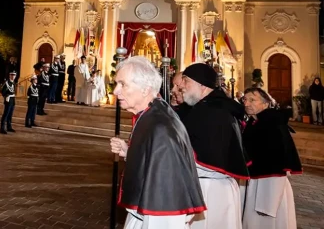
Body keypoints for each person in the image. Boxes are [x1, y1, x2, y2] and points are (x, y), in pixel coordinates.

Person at [110, 57, 205, 228]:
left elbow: (165, 198)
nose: (116, 91)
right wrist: (130, 152)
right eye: (116, 84)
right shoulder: (151, 114)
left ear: (145, 89)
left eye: (123, 84)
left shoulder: (161, 127)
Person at [179, 63, 249, 229]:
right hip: (206, 186)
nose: (181, 86)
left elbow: (211, 158)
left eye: (185, 80)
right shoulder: (207, 107)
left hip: (212, 190)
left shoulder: (214, 112)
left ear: (201, 85)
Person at [242, 87, 302, 229]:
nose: (246, 103)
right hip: (256, 182)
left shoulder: (273, 123)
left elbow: (278, 160)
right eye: (245, 99)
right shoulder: (255, 121)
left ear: (265, 103)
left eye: (252, 100)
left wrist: (270, 199)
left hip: (269, 185)